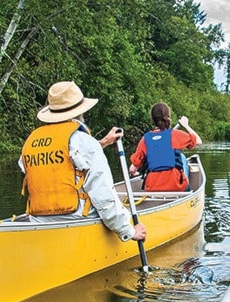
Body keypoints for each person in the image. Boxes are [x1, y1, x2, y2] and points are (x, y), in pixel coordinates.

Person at [19, 81, 146, 243]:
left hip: (39, 222)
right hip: (77, 222)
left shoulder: (31, 142)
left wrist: (104, 142)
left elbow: (62, 162)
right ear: (80, 112)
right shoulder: (85, 142)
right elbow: (104, 197)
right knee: (112, 205)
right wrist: (129, 231)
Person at [129, 102, 202, 192]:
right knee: (182, 158)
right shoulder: (175, 135)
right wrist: (186, 125)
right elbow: (198, 141)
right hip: (176, 187)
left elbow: (132, 169)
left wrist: (136, 174)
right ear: (168, 117)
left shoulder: (145, 139)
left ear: (153, 120)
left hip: (152, 189)